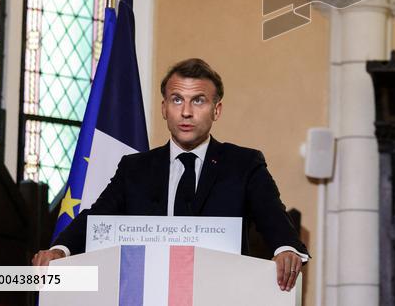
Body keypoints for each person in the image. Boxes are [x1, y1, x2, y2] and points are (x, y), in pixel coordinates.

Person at [31, 58, 308, 292]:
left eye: (198, 101)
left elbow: (273, 216)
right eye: (177, 100)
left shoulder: (243, 164)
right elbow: (98, 216)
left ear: (217, 110)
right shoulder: (134, 169)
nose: (186, 112)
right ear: (164, 108)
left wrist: (286, 249)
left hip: (219, 293)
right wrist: (60, 250)